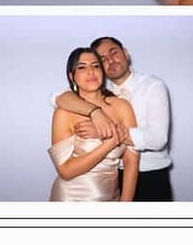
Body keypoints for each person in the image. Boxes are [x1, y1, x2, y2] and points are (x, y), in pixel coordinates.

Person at [54, 37, 173, 200]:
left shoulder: (151, 86)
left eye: (114, 52)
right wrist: (95, 112)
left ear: (126, 53)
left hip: (150, 175)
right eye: (102, 59)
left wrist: (107, 131)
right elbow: (57, 97)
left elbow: (158, 138)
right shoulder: (84, 95)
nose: (109, 60)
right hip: (83, 191)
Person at [48, 47, 140, 201]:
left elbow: (131, 161)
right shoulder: (63, 112)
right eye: (82, 67)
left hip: (112, 196)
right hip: (71, 198)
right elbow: (65, 171)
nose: (91, 72)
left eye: (96, 66)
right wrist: (111, 142)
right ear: (72, 76)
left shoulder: (122, 106)